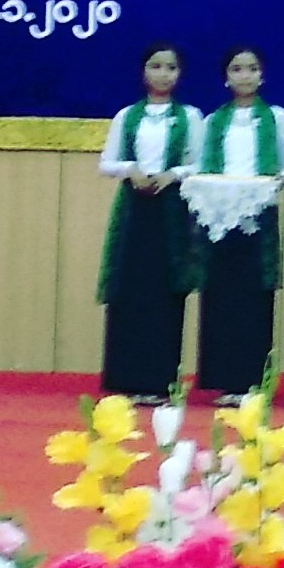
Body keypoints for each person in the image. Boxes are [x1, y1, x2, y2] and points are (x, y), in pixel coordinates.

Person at [95, 44, 203, 403]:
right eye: (156, 66)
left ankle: (160, 382)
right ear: (144, 72)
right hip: (134, 211)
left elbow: (199, 164)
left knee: (165, 291)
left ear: (180, 74)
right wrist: (131, 170)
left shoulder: (190, 116)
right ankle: (124, 380)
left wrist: (172, 175)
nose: (163, 74)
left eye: (171, 67)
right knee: (130, 291)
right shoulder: (127, 115)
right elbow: (107, 162)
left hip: (171, 211)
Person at [196, 47, 284, 405]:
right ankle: (224, 380)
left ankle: (253, 382)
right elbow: (201, 166)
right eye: (237, 69)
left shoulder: (277, 118)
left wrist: (265, 186)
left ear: (262, 75)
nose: (245, 75)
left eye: (252, 69)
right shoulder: (212, 121)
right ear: (226, 77)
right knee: (221, 296)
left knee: (254, 298)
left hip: (257, 214)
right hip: (220, 217)